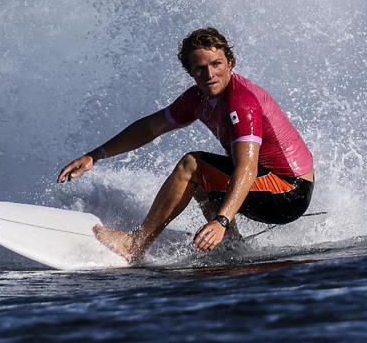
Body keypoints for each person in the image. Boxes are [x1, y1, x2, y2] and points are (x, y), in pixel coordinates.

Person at [57, 27, 314, 263]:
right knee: (203, 175)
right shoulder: (196, 98)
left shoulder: (241, 103)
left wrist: (221, 220)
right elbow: (150, 128)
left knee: (192, 165)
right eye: (200, 68)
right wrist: (95, 155)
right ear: (190, 72)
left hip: (289, 191)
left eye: (217, 64)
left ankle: (135, 243)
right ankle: (233, 247)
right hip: (268, 182)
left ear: (230, 63)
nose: (210, 74)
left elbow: (246, 168)